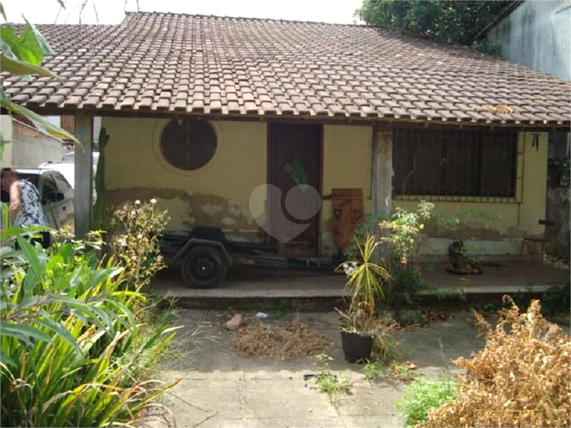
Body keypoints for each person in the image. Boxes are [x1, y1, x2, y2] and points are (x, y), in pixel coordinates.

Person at [0, 168, 50, 248]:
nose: (4, 188)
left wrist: (8, 228)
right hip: (43, 229)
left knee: (25, 258)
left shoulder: (15, 185)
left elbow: (15, 205)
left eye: (2, 184)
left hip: (26, 231)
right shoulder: (30, 186)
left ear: (6, 178)